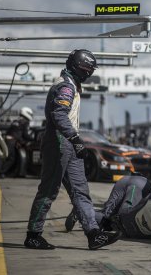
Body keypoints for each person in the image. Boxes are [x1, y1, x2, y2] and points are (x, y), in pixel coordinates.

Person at [24, 49, 120, 250]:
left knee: (81, 191)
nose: (90, 73)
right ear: (80, 68)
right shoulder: (66, 87)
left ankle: (93, 233)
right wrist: (75, 139)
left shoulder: (72, 85)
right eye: (89, 69)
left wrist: (75, 141)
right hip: (58, 142)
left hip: (68, 141)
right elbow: (59, 115)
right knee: (49, 191)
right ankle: (33, 234)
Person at [65, 174, 151, 239]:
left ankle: (83, 210)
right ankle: (81, 211)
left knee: (107, 215)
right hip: (133, 193)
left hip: (134, 182)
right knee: (107, 218)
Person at [0, 106, 34, 178]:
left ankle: (2, 172)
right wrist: (33, 138)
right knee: (11, 158)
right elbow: (25, 135)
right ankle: (1, 172)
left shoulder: (16, 121)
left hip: (6, 140)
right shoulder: (25, 122)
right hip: (12, 141)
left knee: (5, 157)